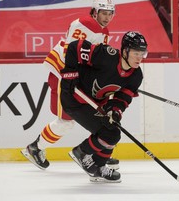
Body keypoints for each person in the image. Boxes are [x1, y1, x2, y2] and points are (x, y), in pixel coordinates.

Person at [21, 0, 119, 170]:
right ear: (95, 12)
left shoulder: (104, 31)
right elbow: (71, 53)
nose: (107, 17)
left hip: (76, 76)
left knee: (95, 112)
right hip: (62, 74)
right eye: (103, 13)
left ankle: (98, 151)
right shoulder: (84, 23)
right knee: (66, 121)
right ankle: (35, 148)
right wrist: (73, 78)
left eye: (110, 13)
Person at [60, 31, 148, 183]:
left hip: (94, 102)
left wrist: (115, 112)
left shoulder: (136, 76)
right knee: (110, 134)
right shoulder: (107, 55)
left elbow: (122, 98)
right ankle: (81, 153)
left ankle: (97, 168)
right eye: (135, 53)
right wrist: (70, 75)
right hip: (74, 97)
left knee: (113, 127)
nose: (139, 58)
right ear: (125, 50)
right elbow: (76, 47)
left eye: (142, 53)